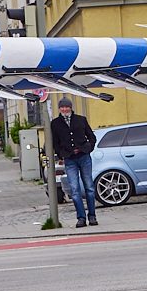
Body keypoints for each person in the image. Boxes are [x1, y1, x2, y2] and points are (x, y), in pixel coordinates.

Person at [50, 97, 98, 227]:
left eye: (67, 107)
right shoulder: (55, 123)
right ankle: (81, 218)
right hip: (69, 158)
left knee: (89, 187)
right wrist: (61, 154)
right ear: (59, 108)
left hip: (83, 156)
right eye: (62, 107)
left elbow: (91, 136)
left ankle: (92, 216)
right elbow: (55, 142)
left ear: (71, 107)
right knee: (74, 189)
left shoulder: (80, 120)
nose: (65, 109)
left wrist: (89, 147)